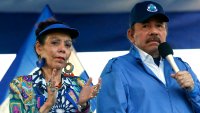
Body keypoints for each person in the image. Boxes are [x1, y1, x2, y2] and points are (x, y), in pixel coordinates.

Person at [97, 1, 200, 113]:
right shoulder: (117, 69)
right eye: (145, 26)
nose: (154, 32)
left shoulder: (181, 66)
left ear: (166, 32)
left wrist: (193, 90)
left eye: (159, 26)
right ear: (131, 35)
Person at [9, 18, 101, 113]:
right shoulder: (20, 85)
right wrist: (48, 105)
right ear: (39, 48)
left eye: (68, 45)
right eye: (55, 43)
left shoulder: (79, 84)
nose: (62, 49)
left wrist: (84, 106)